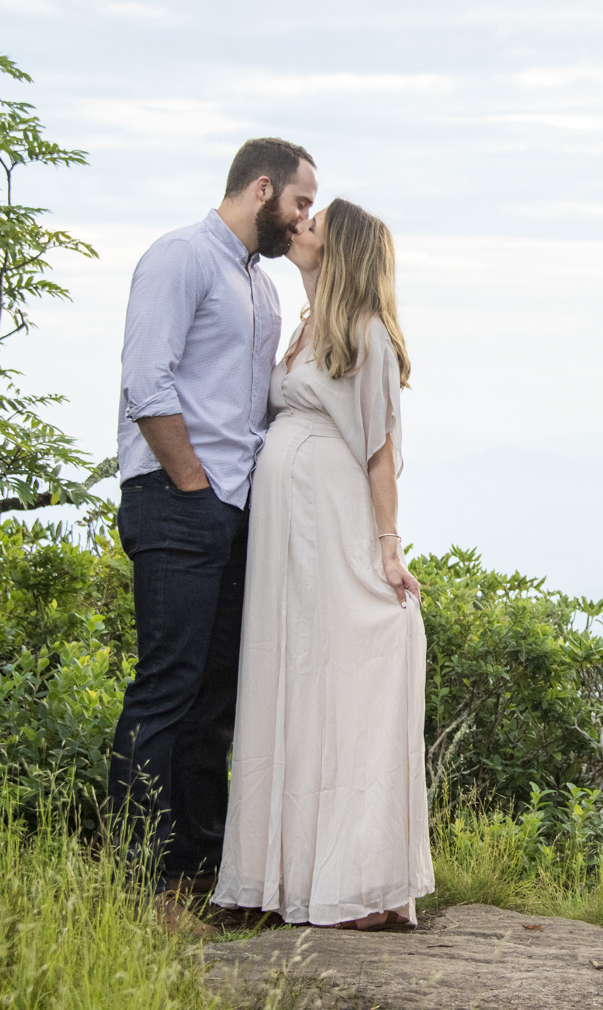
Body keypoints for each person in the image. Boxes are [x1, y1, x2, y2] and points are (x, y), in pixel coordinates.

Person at [111, 137, 317, 932]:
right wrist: (193, 487)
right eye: (299, 202)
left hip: (237, 514)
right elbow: (146, 382)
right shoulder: (180, 258)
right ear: (262, 188)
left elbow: (253, 413)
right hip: (174, 501)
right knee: (166, 689)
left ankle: (200, 871)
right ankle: (141, 883)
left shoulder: (261, 290)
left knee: (215, 699)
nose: (303, 218)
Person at [212, 199, 434, 930]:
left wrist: (389, 549)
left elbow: (379, 451)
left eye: (316, 225)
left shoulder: (365, 334)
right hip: (288, 536)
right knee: (292, 679)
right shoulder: (305, 324)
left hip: (331, 527)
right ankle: (293, 871)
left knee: (340, 677)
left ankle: (358, 878)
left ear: (340, 252)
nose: (301, 227)